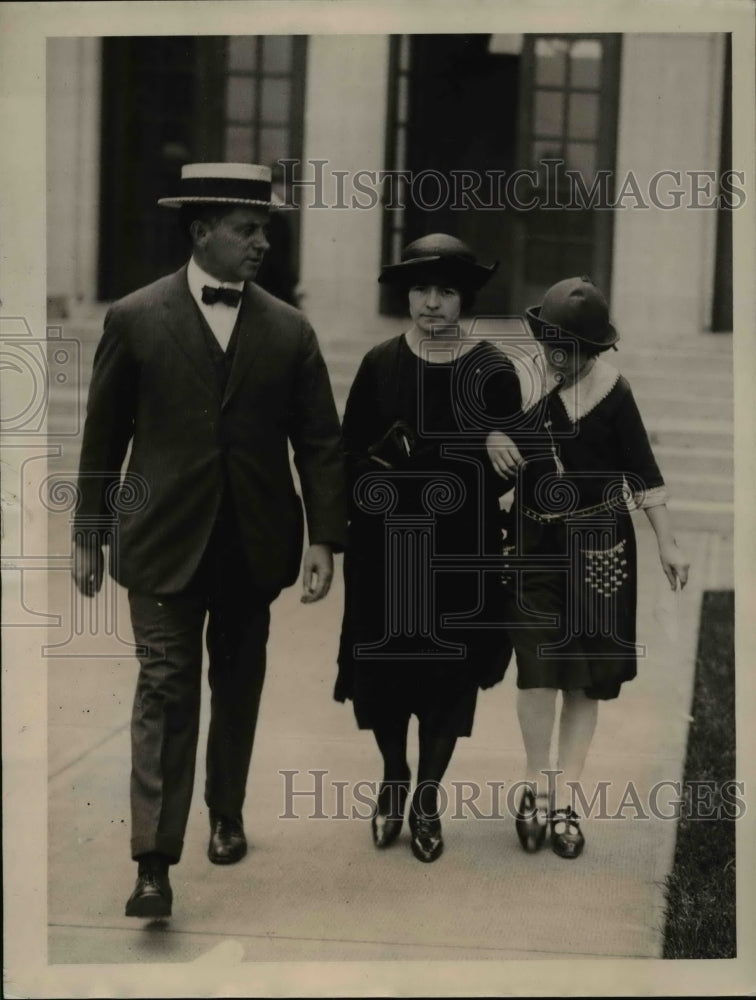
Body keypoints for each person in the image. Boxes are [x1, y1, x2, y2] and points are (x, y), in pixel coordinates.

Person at [72, 162, 347, 917]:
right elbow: (103, 436)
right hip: (160, 542)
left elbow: (321, 442)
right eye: (247, 230)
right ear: (203, 232)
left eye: (267, 231)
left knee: (237, 685)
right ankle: (154, 862)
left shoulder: (290, 330)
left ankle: (226, 812)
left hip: (251, 545)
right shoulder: (135, 317)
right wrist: (89, 532)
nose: (262, 244)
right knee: (164, 689)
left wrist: (326, 538)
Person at [486, 275, 690, 859]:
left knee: (586, 676)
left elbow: (645, 474)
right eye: (550, 344)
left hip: (601, 549)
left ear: (594, 349)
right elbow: (476, 420)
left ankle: (568, 799)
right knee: (537, 665)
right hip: (534, 545)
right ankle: (535, 786)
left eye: (570, 349)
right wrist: (494, 431)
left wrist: (667, 544)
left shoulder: (615, 394)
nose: (558, 358)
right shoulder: (526, 383)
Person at [334, 234, 521, 863]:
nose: (431, 303)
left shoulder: (492, 369)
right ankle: (392, 777)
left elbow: (509, 471)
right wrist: (378, 467)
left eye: (445, 291)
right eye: (421, 289)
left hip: (459, 555)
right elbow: (347, 456)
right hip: (386, 554)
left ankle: (428, 799)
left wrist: (496, 442)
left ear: (463, 298)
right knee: (384, 677)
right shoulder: (379, 363)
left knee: (448, 680)